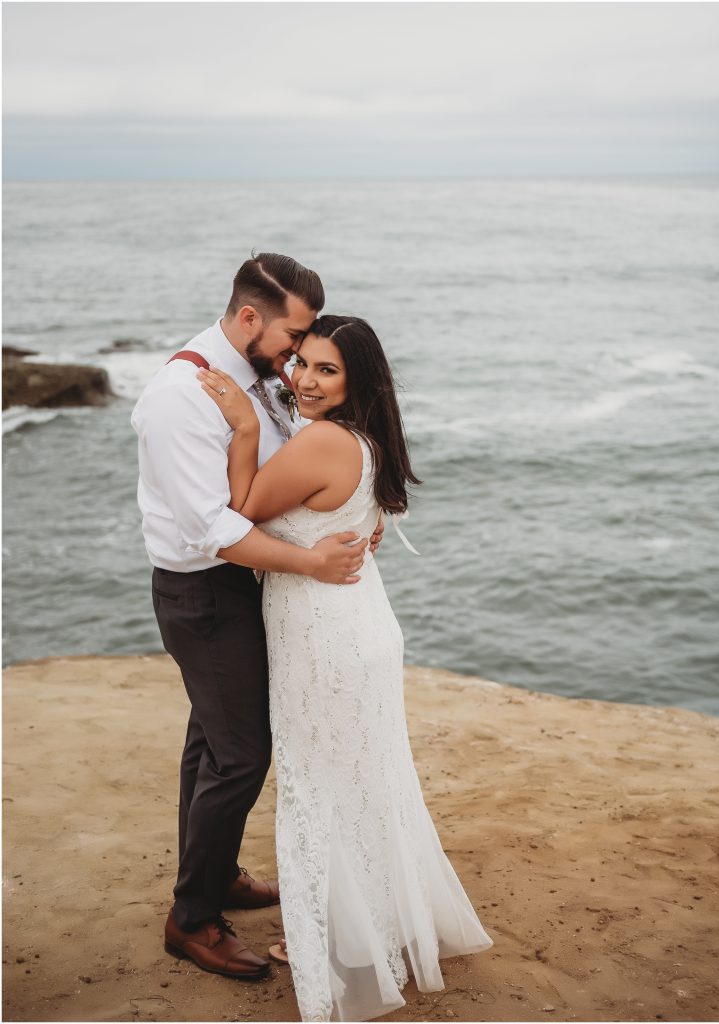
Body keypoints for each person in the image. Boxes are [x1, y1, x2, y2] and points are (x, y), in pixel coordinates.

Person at [197, 315, 493, 1021]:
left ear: (356, 380)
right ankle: (377, 926)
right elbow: (360, 520)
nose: (303, 379)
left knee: (318, 786)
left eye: (326, 370)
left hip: (324, 639)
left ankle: (330, 939)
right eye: (300, 362)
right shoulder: (366, 439)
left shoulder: (323, 441)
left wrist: (243, 430)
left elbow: (237, 517)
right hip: (357, 626)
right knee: (365, 784)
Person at [131, 254, 380, 981]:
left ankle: (215, 876)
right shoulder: (182, 397)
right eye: (292, 338)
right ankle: (193, 920)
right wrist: (310, 563)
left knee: (210, 740)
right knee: (241, 754)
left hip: (247, 585)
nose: (296, 358)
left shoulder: (259, 376)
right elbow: (213, 525)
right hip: (205, 592)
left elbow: (283, 475)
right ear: (249, 319)